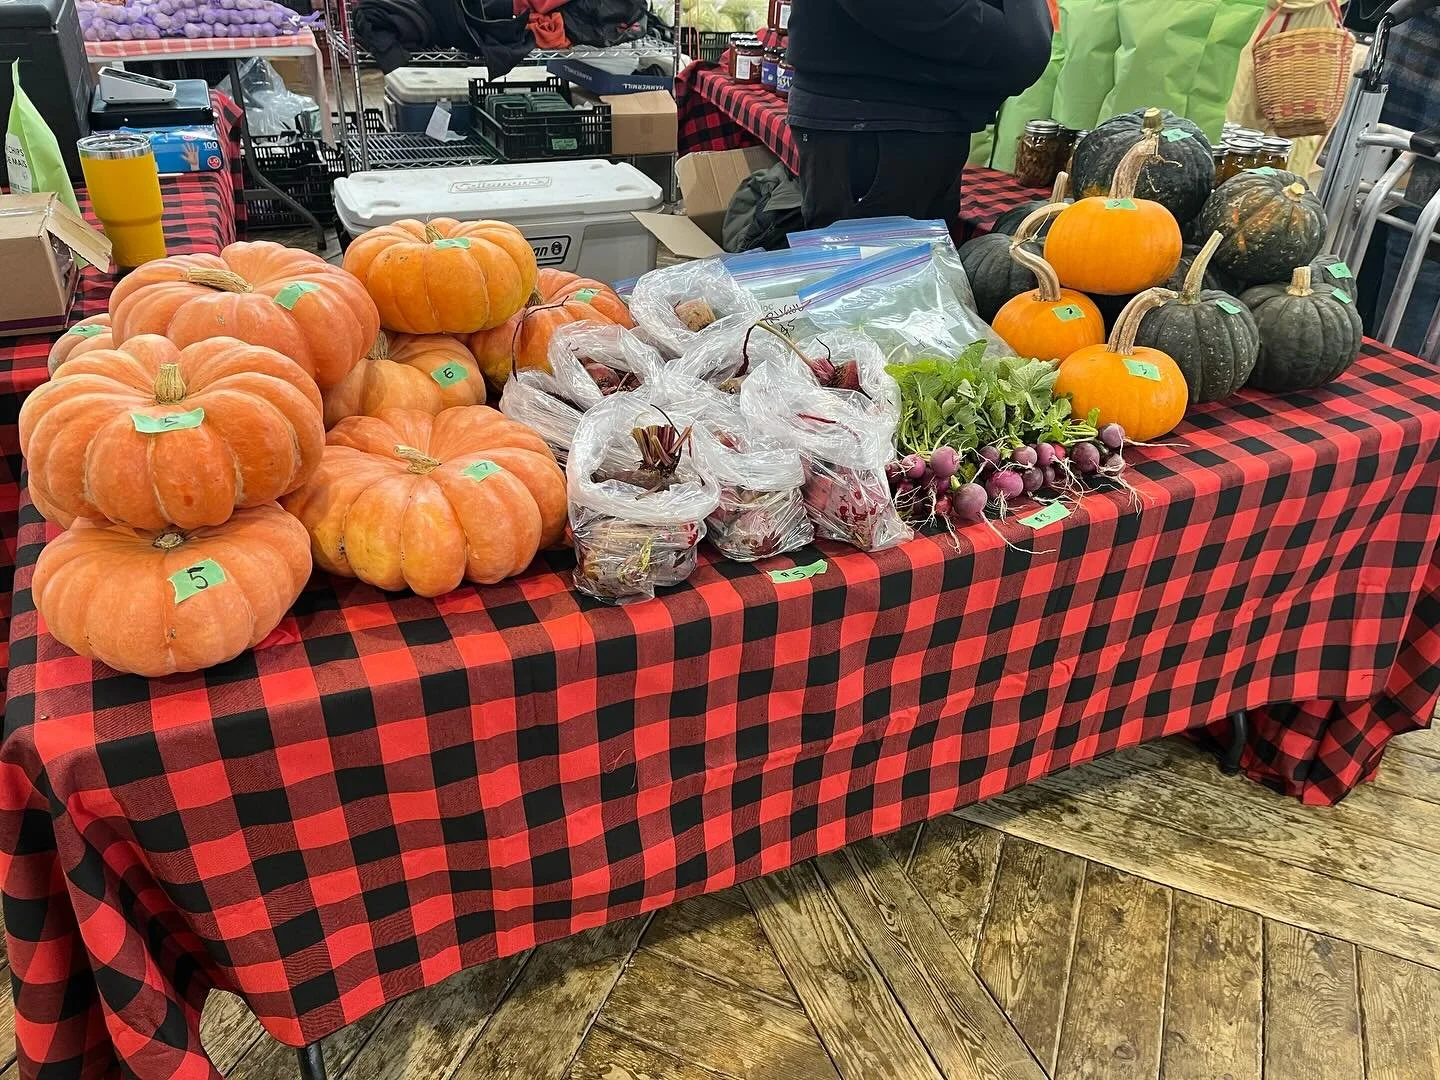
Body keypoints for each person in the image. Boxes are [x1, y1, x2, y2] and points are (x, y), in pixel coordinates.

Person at [785, 0, 1053, 234]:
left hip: (904, 121)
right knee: (869, 282)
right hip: (877, 124)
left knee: (906, 278)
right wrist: (1017, 41)